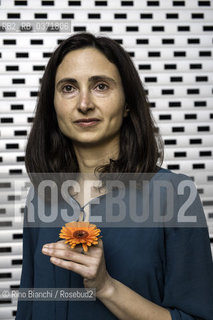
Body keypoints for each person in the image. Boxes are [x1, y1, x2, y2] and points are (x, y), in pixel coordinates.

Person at [15, 32, 213, 320]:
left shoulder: (174, 195)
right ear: (52, 105)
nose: (84, 103)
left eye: (101, 86)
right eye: (68, 88)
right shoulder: (42, 196)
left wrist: (106, 287)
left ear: (128, 103)